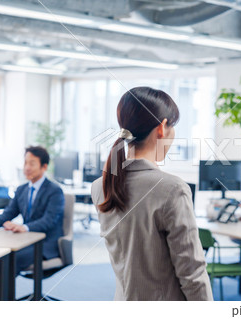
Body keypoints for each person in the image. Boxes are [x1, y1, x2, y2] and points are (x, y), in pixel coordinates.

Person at [91, 87, 213, 301]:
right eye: (173, 126)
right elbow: (192, 273)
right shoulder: (172, 189)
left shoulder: (101, 186)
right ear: (162, 128)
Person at [0, 146, 64, 301]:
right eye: (25, 163)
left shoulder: (54, 191)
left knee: (10, 259)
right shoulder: (22, 189)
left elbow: (49, 221)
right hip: (26, 242)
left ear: (44, 167)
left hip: (45, 245)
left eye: (32, 163)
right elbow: (10, 212)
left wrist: (24, 227)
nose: (27, 168)